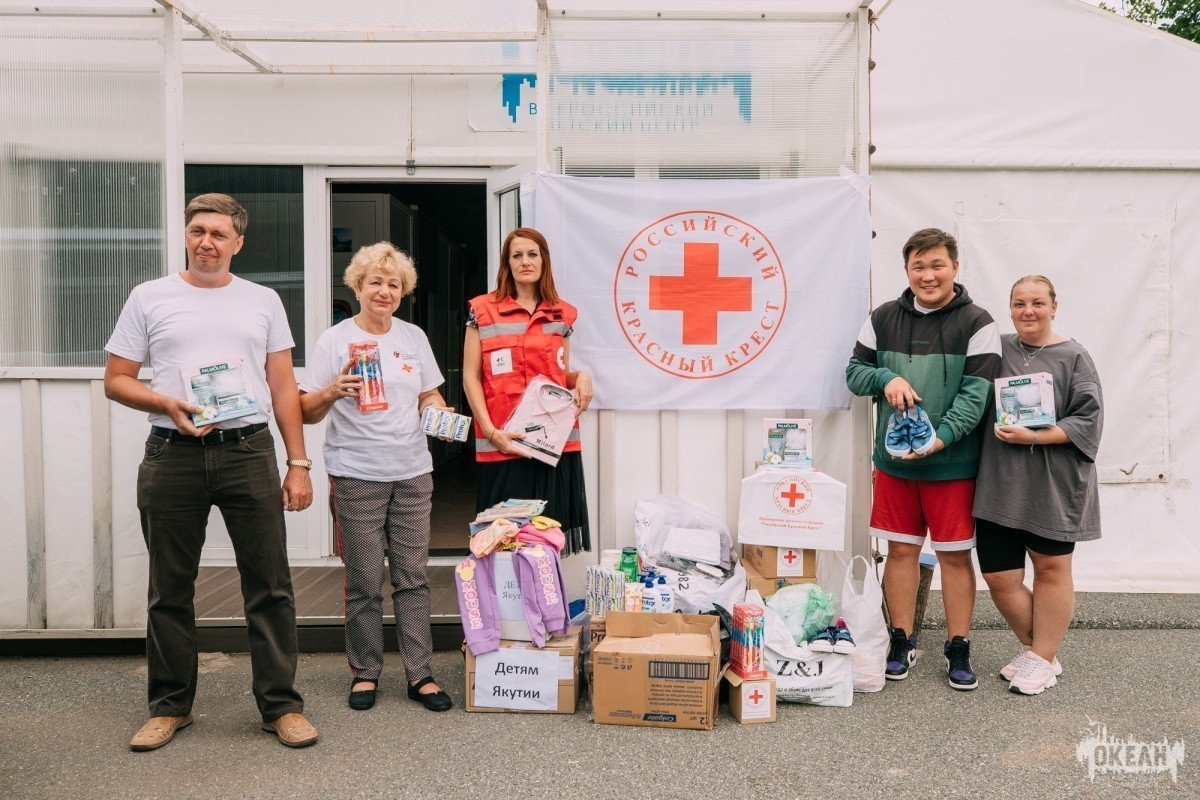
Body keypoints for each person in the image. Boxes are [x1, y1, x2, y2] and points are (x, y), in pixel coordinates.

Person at [104, 193, 318, 750]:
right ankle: (170, 705)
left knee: (269, 584)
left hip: (248, 450)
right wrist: (166, 404)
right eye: (198, 230)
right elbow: (117, 379)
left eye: (219, 234)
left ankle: (280, 706)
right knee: (169, 586)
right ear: (186, 235)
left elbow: (282, 387)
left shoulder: (263, 300)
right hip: (172, 453)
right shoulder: (150, 297)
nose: (207, 242)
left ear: (238, 242)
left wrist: (298, 464)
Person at [299, 242, 453, 713]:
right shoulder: (335, 340)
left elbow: (429, 394)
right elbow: (306, 411)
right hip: (355, 474)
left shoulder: (413, 337)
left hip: (412, 472)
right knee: (365, 579)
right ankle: (366, 672)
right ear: (358, 286)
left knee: (413, 577)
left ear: (402, 291)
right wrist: (332, 389)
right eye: (375, 283)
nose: (384, 291)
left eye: (393, 284)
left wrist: (443, 418)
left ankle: (419, 672)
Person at [846, 227, 1001, 690]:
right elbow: (855, 372)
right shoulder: (882, 317)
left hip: (951, 467)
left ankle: (958, 646)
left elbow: (976, 397)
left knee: (954, 558)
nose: (928, 275)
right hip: (894, 466)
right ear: (907, 269)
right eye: (919, 266)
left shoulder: (979, 323)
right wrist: (885, 379)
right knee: (901, 552)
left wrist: (940, 440)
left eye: (937, 265)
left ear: (955, 267)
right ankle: (901, 637)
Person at [973, 275, 1103, 696]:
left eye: (1037, 303)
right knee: (998, 576)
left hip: (1053, 483)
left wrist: (1035, 436)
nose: (1028, 311)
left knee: (1050, 569)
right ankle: (1039, 651)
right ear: (1009, 308)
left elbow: (1088, 420)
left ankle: (1042, 657)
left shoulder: (1074, 356)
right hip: (999, 483)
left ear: (1054, 305)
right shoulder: (998, 347)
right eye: (1019, 303)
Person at [462, 227, 593, 554]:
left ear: (544, 261)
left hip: (552, 444)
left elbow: (558, 376)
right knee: (503, 543)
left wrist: (582, 377)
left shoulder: (562, 313)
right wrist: (493, 433)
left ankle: (542, 604)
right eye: (516, 255)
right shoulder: (482, 310)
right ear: (507, 263)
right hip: (504, 443)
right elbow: (470, 377)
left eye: (532, 254)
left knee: (546, 543)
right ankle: (508, 606)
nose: (525, 261)